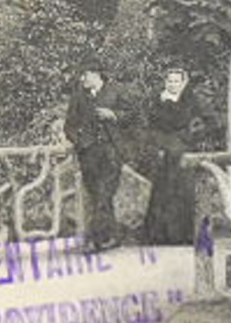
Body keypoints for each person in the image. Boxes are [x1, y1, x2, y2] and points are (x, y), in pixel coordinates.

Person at [64, 64, 128, 252]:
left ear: (96, 74)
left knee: (104, 192)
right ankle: (113, 236)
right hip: (89, 152)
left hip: (111, 150)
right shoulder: (78, 97)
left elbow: (136, 117)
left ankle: (95, 240)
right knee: (96, 194)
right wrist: (80, 142)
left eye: (85, 74)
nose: (83, 78)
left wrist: (114, 114)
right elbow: (69, 126)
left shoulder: (116, 92)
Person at [142, 67, 210, 246]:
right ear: (166, 83)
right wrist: (159, 144)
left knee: (184, 191)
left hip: (184, 150)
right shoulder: (158, 102)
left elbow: (196, 122)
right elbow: (153, 126)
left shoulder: (190, 101)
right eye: (170, 81)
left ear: (183, 83)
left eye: (176, 81)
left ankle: (183, 234)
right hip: (165, 151)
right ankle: (160, 235)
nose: (173, 84)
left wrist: (191, 137)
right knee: (163, 191)